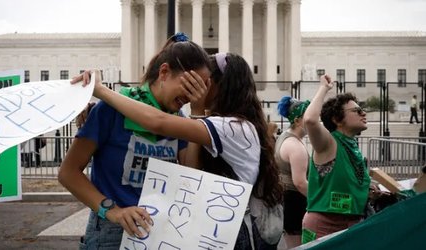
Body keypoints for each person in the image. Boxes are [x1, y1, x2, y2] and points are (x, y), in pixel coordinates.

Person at [81, 52, 283, 250]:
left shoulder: (232, 127)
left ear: (217, 86)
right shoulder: (226, 125)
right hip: (214, 229)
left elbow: (158, 122)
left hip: (231, 231)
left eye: (203, 82)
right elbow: (191, 173)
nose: (196, 90)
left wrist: (102, 91)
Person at [58, 33, 211, 250]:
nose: (193, 95)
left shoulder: (179, 122)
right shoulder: (110, 110)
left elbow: (191, 174)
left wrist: (197, 114)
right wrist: (112, 211)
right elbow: (68, 172)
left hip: (159, 229)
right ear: (164, 72)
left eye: (201, 88)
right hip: (112, 231)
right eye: (190, 84)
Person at [301, 75, 371, 244]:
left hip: (351, 224)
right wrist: (324, 88)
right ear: (336, 119)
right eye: (356, 110)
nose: (363, 113)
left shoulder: (351, 145)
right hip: (325, 226)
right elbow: (310, 120)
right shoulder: (330, 142)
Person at [275, 96, 310, 248]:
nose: (314, 120)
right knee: (298, 246)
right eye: (308, 117)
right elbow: (300, 183)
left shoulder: (286, 137)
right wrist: (321, 202)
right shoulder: (294, 145)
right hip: (296, 202)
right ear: (297, 121)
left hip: (289, 200)